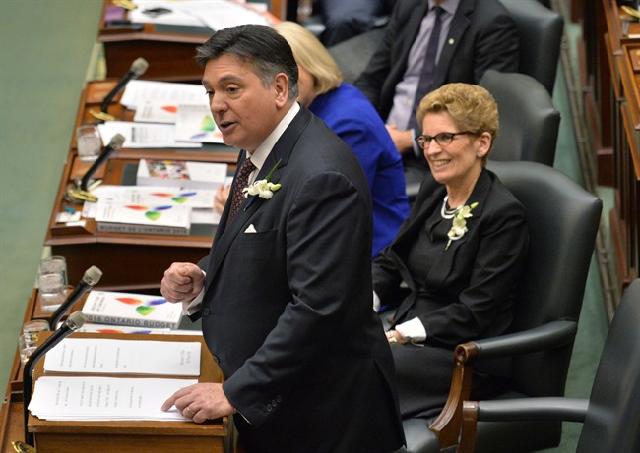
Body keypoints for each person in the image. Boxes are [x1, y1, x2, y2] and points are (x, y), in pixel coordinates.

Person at [159, 25, 405, 452]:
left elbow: (319, 308)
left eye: (231, 88)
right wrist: (204, 274)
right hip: (272, 394)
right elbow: (270, 246)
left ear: (279, 88)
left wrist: (236, 392)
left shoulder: (322, 176)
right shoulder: (262, 143)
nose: (217, 105)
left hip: (319, 417)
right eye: (210, 92)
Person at [373, 83, 529, 419]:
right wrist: (365, 296)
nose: (431, 150)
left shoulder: (503, 215)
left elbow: (477, 311)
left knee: (352, 367)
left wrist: (402, 334)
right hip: (410, 336)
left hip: (463, 356)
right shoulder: (436, 187)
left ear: (482, 142)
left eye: (445, 138)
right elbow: (393, 257)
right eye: (426, 139)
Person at [355, 0, 519, 159]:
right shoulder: (408, 5)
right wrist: (368, 123)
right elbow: (371, 78)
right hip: (383, 132)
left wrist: (409, 139)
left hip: (436, 154)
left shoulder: (493, 23)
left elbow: (482, 112)